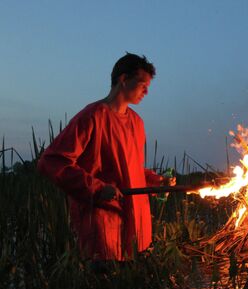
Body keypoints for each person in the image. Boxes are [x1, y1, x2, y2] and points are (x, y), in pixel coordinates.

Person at [38, 52, 174, 262]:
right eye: (141, 84)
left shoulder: (137, 123)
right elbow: (52, 162)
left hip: (137, 228)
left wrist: (157, 182)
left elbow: (131, 170)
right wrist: (97, 189)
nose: (146, 91)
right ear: (123, 79)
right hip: (103, 227)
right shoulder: (92, 116)